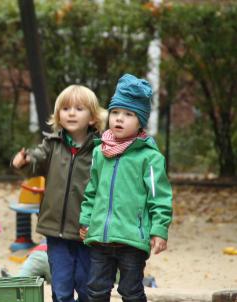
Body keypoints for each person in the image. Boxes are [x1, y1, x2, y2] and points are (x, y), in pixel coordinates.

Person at [79, 73, 173, 302]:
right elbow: (92, 190)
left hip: (132, 238)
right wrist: (86, 219)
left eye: (129, 114)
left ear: (140, 121)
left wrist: (159, 229)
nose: (119, 119)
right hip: (101, 236)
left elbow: (159, 196)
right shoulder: (100, 152)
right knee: (95, 290)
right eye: (116, 112)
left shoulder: (149, 157)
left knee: (130, 291)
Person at [12, 85, 107, 302]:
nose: (71, 113)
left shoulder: (100, 150)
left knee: (87, 286)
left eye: (79, 108)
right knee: (61, 287)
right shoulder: (52, 145)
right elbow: (36, 159)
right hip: (56, 231)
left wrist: (98, 222)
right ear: (58, 116)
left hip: (86, 232)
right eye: (65, 108)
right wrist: (25, 161)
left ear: (92, 118)